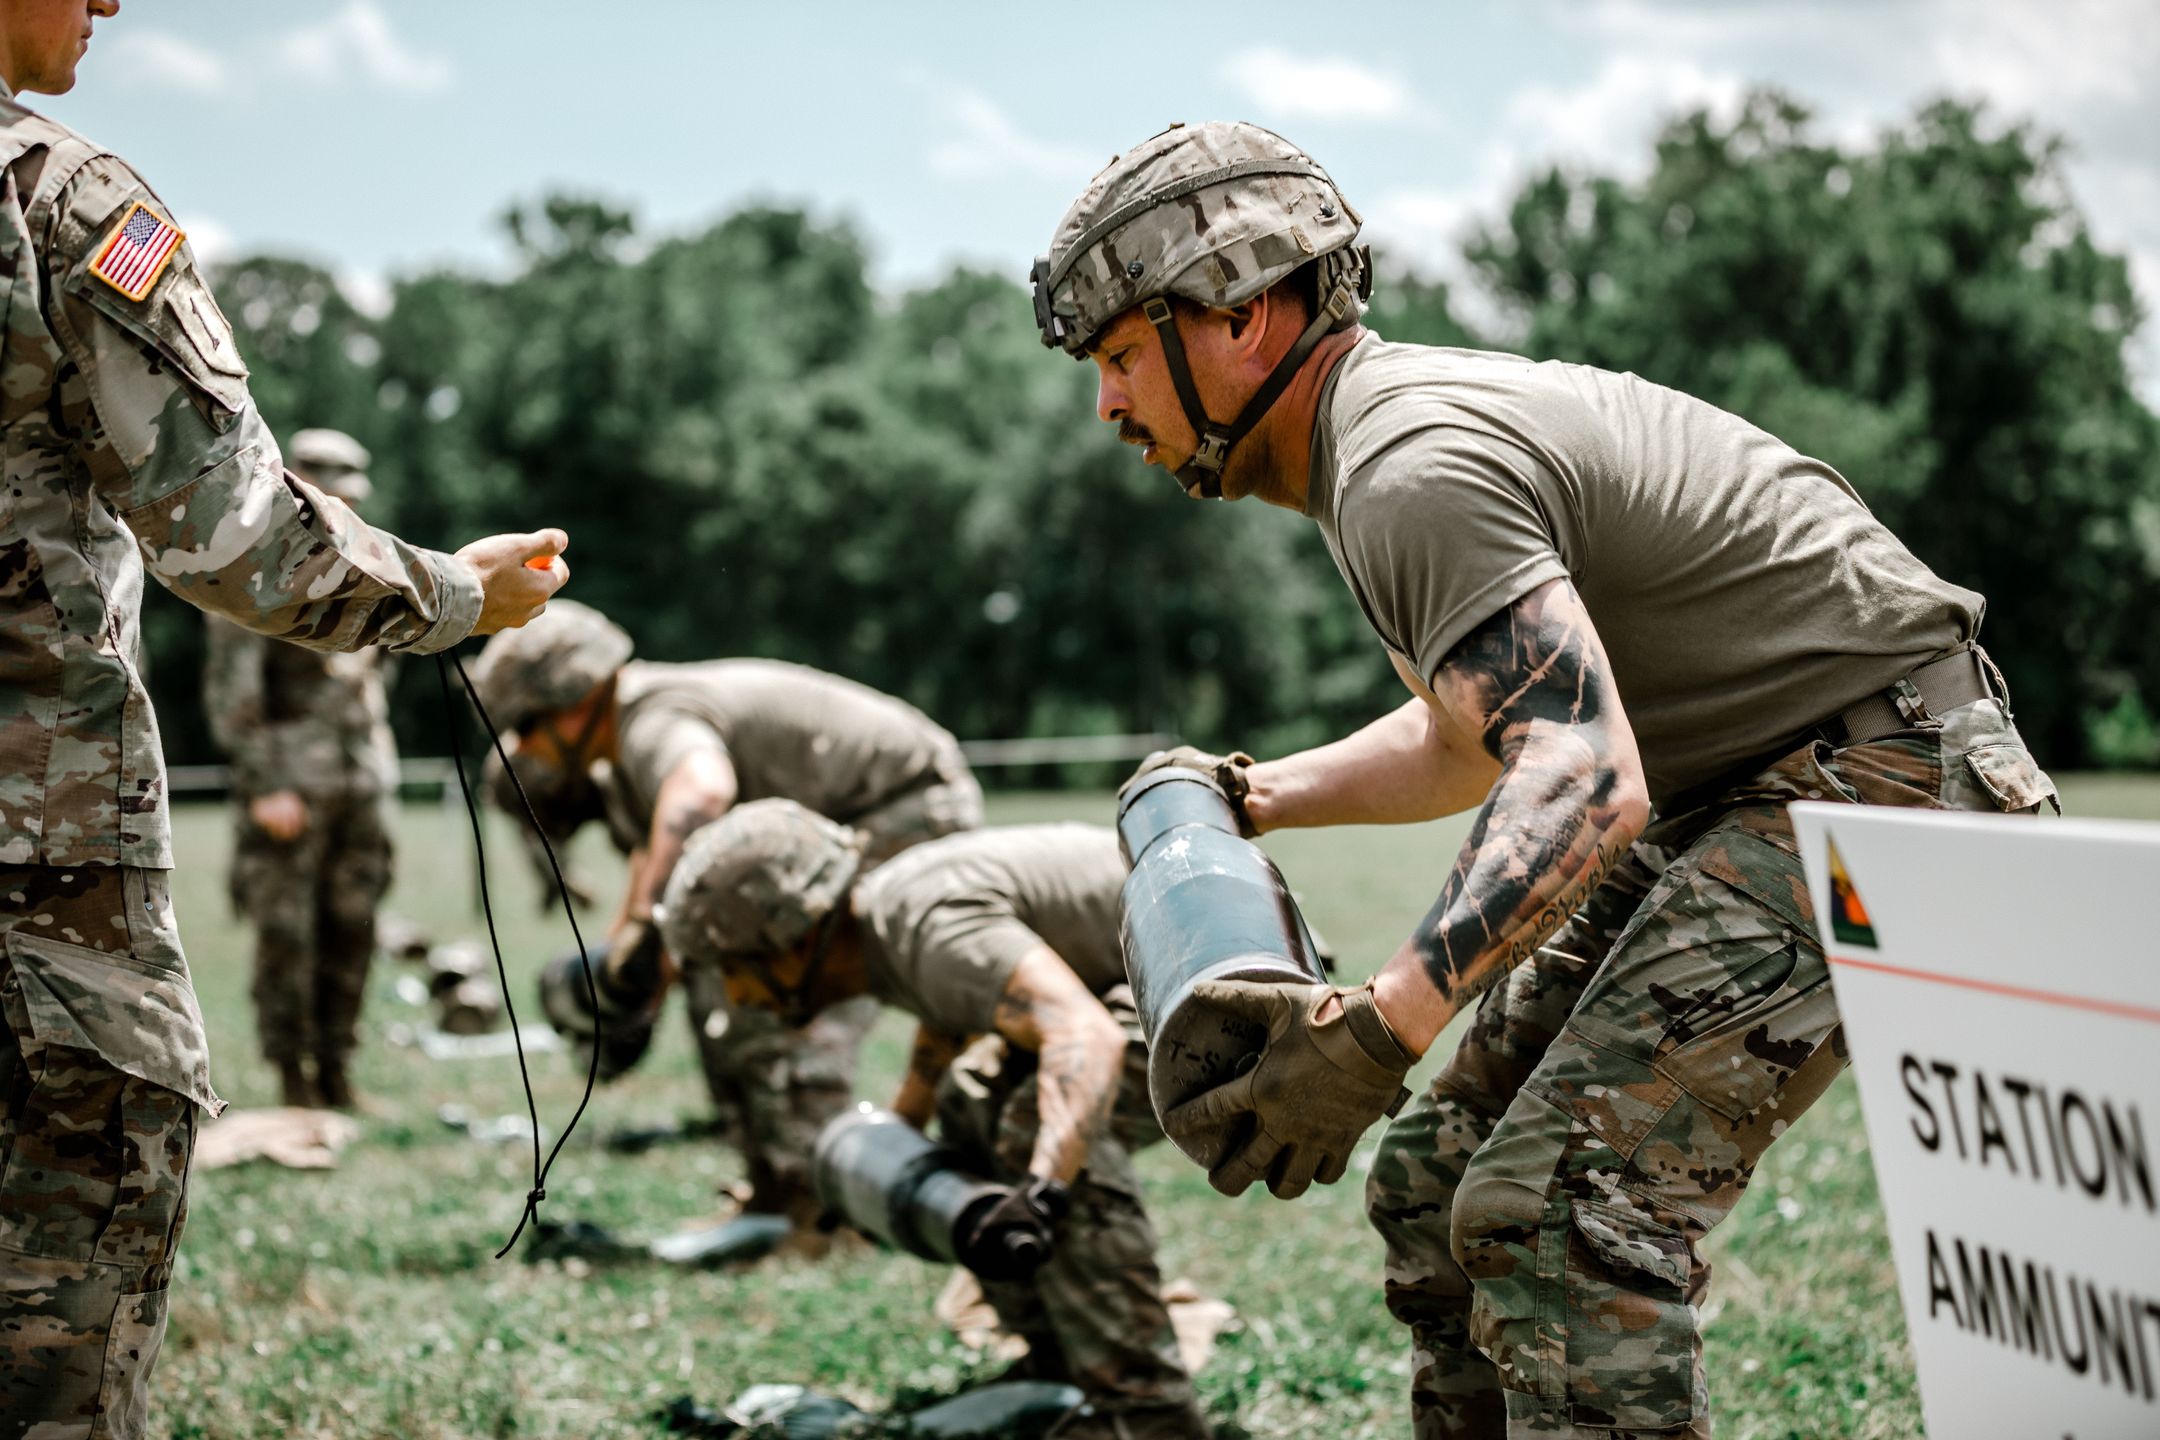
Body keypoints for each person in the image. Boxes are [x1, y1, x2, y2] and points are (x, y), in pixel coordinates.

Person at [1033, 121, 2056, 1438]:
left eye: (1122, 355)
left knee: (1561, 1213)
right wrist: (1256, 794)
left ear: (1250, 312)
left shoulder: (1407, 465)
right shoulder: (1378, 450)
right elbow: (1480, 740)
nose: (1109, 404)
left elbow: (1577, 775)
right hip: (1765, 779)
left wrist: (1377, 1027)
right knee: (1437, 1181)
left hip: (1886, 773)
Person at [0, 5, 569, 1431]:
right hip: (33, 854)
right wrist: (451, 592)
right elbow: (234, 533)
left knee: (345, 935)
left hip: (307, 788)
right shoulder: (62, 199)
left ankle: (326, 1084)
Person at [657, 803, 1210, 1440]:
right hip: (1168, 966)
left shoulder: (922, 926)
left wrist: (1042, 1194)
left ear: (796, 936)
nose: (739, 995)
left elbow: (1083, 1035)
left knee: (1038, 1128)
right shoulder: (888, 924)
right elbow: (946, 1027)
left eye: (738, 967)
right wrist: (889, 1150)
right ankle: (1059, 1363)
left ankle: (1147, 1411)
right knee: (969, 1099)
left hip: (1229, 976)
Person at [468, 600, 982, 1222]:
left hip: (906, 808)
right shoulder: (624, 747)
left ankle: (818, 1211)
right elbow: (654, 869)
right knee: (719, 977)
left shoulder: (651, 717)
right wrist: (635, 968)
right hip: (849, 821)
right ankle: (773, 1185)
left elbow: (701, 793)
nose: (524, 747)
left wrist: (642, 928)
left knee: (789, 986)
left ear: (570, 704)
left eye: (525, 727)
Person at [202, 429, 396, 1109]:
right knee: (288, 932)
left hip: (362, 778)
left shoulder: (365, 562)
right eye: (334, 494)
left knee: (354, 924)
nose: (346, 506)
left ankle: (338, 1069)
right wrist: (266, 784)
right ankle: (293, 1077)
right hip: (292, 785)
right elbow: (233, 689)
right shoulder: (251, 564)